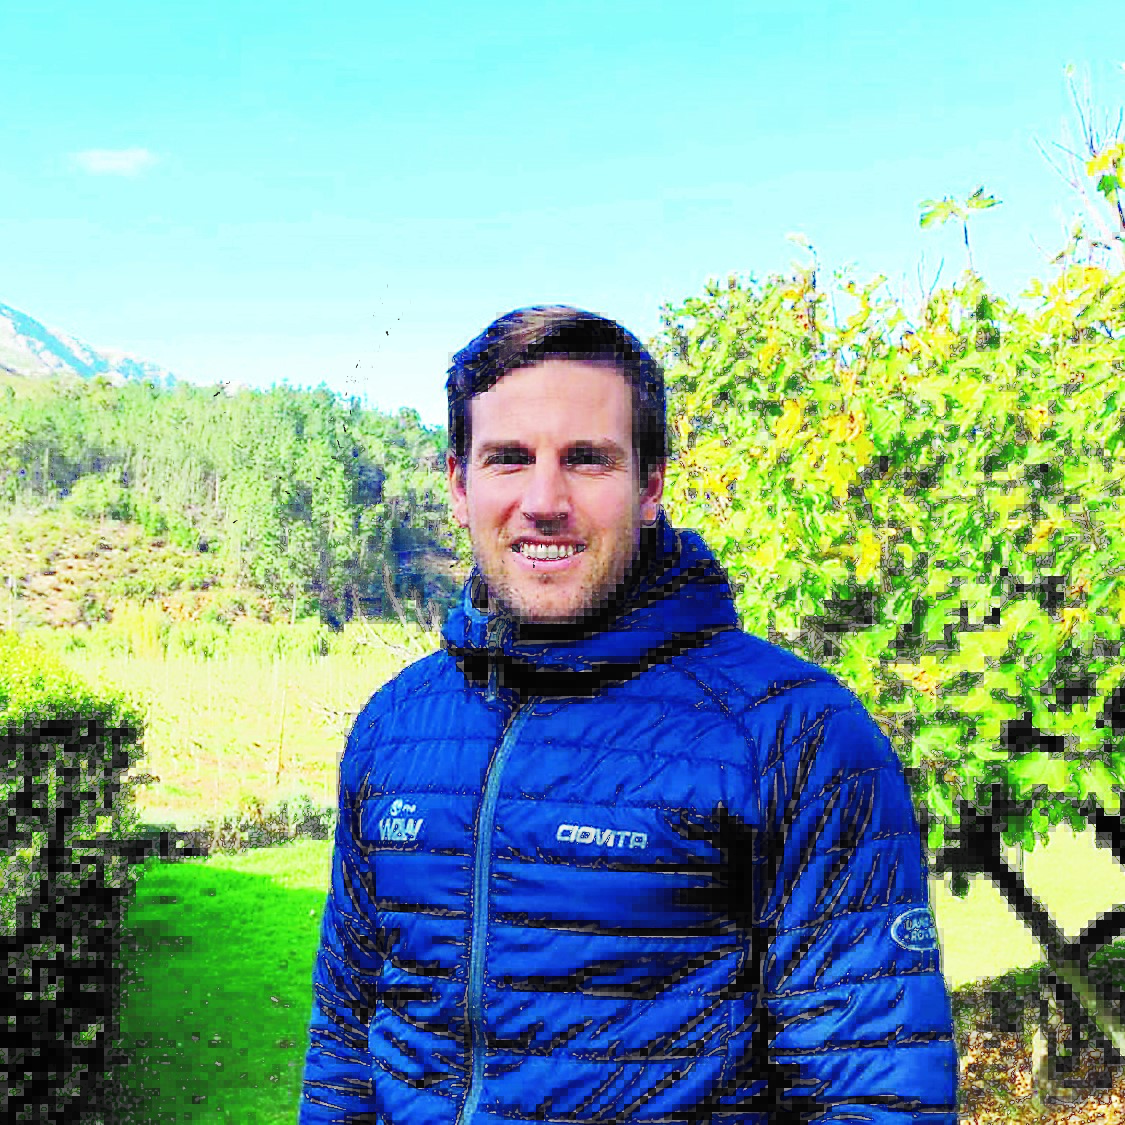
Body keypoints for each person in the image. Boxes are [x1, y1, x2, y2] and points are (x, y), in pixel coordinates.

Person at [300, 306, 959, 1124]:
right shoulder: (395, 726)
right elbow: (343, 1042)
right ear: (459, 485)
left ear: (648, 486)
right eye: (508, 458)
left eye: (586, 459)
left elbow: (875, 1090)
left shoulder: (791, 734)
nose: (544, 500)